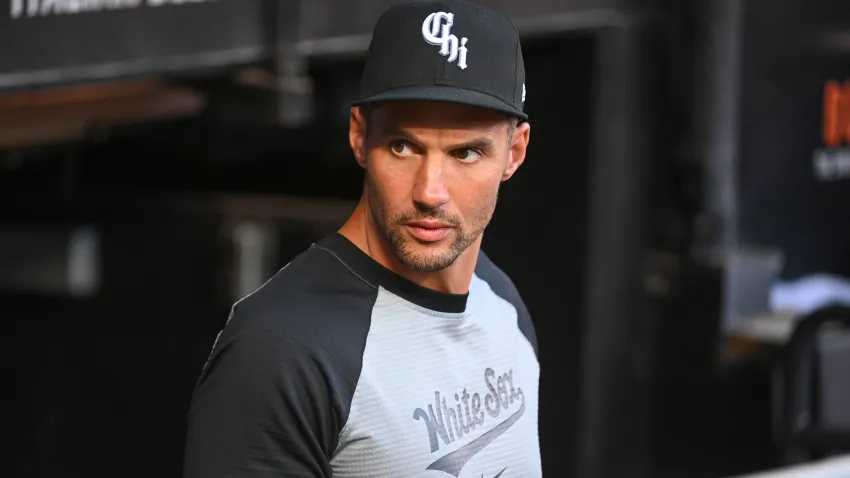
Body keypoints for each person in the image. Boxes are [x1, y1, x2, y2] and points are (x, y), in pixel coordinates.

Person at [182, 1, 540, 476]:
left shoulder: (501, 304)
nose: (430, 192)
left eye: (466, 153)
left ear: (514, 153)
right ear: (358, 136)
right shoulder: (281, 352)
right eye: (403, 146)